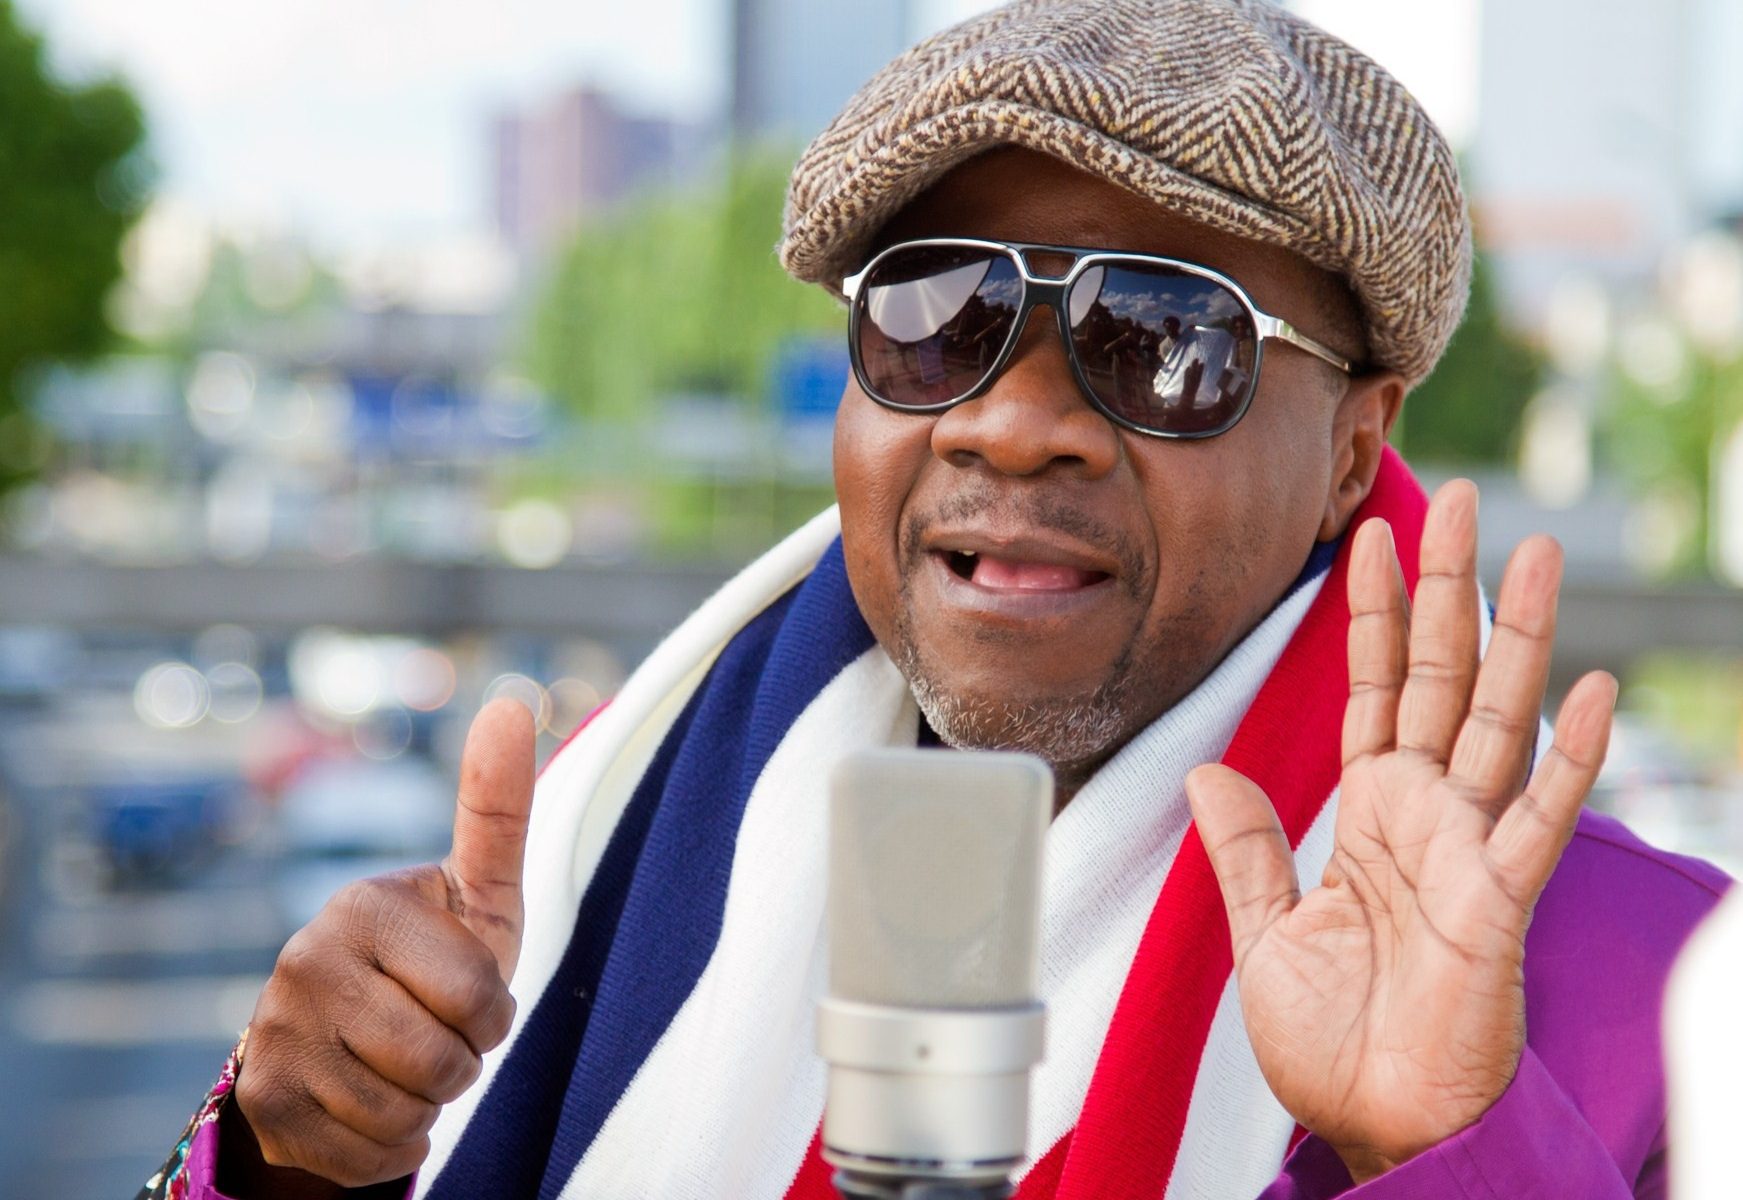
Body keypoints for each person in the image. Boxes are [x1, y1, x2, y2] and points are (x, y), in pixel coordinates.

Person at [141, 2, 1731, 1198]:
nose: (1010, 422)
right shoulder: (617, 845)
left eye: (1163, 335)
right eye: (935, 313)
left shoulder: (1668, 997)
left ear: (1351, 453)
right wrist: (288, 1166)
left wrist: (1451, 1150)